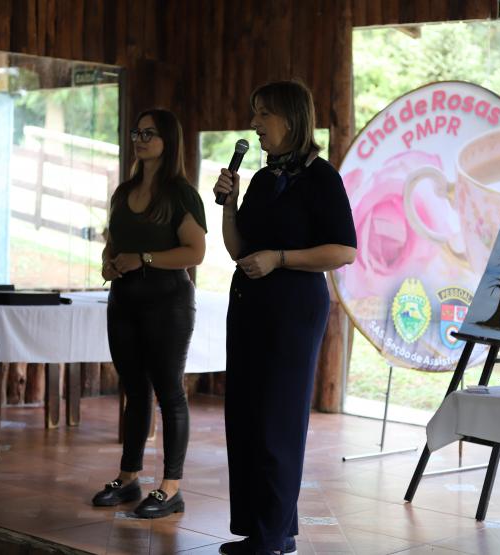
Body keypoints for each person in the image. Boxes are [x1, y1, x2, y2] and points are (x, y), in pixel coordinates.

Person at [212, 81, 357, 554]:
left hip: (293, 311)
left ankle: (271, 535)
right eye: (254, 113)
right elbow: (239, 249)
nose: (254, 124)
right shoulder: (262, 179)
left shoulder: (321, 179)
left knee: (278, 418)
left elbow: (344, 251)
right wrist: (230, 206)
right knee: (247, 416)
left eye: (263, 114)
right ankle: (270, 529)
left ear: (291, 119)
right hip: (250, 305)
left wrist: (280, 258)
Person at [91, 108, 207, 519]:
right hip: (124, 302)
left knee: (170, 392)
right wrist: (108, 263)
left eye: (149, 134)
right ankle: (128, 478)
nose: (139, 140)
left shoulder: (181, 194)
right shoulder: (123, 192)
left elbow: (195, 252)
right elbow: (113, 243)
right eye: (136, 133)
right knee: (134, 391)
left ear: (167, 141)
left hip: (167, 303)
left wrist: (143, 258)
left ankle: (170, 488)